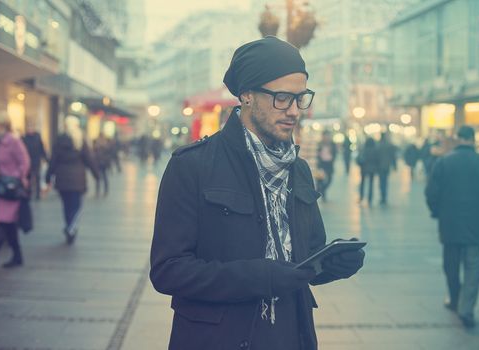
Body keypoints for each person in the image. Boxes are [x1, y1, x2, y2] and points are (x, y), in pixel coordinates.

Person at [150, 36, 365, 350]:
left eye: (300, 98)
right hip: (216, 339)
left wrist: (332, 265)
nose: (294, 111)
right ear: (247, 95)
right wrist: (256, 278)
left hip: (292, 335)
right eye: (282, 98)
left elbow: (303, 261)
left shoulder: (298, 168)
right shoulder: (193, 166)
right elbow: (168, 271)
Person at [425, 126, 479, 328]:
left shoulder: (443, 162)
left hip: (450, 224)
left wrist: (437, 212)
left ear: (458, 139)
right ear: (474, 139)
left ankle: (454, 298)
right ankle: (466, 308)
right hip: (478, 225)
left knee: (450, 265)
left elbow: (431, 193)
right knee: (473, 266)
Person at [0, 110, 30, 273]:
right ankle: (18, 256)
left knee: (3, 221)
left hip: (10, 189)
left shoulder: (12, 141)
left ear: (4, 125)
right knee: (9, 225)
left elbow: (24, 161)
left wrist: (17, 178)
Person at [45, 116, 99, 244]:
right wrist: (96, 174)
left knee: (66, 205)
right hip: (77, 179)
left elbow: (53, 160)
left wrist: (48, 176)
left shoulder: (59, 140)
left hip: (62, 178)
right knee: (76, 205)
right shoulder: (80, 140)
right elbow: (89, 159)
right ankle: (71, 228)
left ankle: (69, 225)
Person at [22, 123, 48, 200]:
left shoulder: (37, 137)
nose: (30, 129)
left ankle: (37, 194)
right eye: (28, 127)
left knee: (37, 176)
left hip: (36, 160)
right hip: (27, 160)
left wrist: (45, 158)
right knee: (28, 177)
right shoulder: (24, 138)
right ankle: (29, 193)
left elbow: (41, 148)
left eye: (31, 127)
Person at [316, 130, 337, 201]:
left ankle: (322, 190)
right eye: (325, 136)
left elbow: (335, 152)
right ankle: (323, 194)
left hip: (329, 164)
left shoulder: (332, 144)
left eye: (328, 136)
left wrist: (332, 159)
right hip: (321, 164)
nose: (327, 137)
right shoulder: (319, 144)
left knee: (330, 179)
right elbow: (317, 153)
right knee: (320, 180)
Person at [377, 132, 397, 205]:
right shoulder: (389, 145)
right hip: (387, 166)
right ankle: (384, 197)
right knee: (385, 182)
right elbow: (393, 156)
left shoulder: (378, 145)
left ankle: (382, 196)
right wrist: (395, 166)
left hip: (380, 167)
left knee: (381, 182)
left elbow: (376, 157)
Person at [357, 137, 378, 206]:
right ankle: (370, 199)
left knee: (362, 183)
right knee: (371, 184)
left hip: (364, 168)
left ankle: (361, 197)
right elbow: (377, 160)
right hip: (372, 169)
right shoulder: (375, 150)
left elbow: (358, 159)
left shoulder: (364, 149)